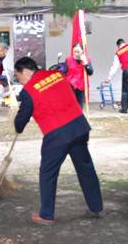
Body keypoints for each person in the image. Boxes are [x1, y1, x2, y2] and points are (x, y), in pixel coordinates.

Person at [14, 57, 104, 226]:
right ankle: (97, 207)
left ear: (26, 71)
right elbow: (67, 92)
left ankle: (47, 215)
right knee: (86, 169)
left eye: (19, 78)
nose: (21, 82)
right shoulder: (57, 74)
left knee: (48, 174)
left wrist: (17, 127)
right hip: (78, 127)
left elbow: (22, 118)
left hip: (57, 134)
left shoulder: (28, 91)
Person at [63, 42, 93, 109]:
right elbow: (64, 73)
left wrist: (85, 63)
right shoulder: (68, 59)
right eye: (74, 51)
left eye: (78, 52)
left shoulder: (87, 59)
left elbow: (90, 72)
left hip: (82, 86)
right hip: (71, 86)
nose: (76, 53)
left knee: (79, 107)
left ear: (82, 51)